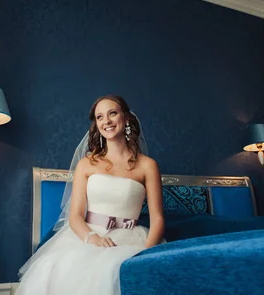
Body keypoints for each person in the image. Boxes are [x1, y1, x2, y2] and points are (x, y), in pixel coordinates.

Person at [16, 95, 165, 295]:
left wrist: (147, 252)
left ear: (126, 118)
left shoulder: (148, 165)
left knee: (117, 267)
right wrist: (92, 238)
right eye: (100, 117)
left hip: (130, 238)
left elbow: (157, 218)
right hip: (89, 235)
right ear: (96, 124)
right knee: (56, 267)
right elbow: (75, 215)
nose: (107, 121)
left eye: (112, 113)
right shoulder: (86, 164)